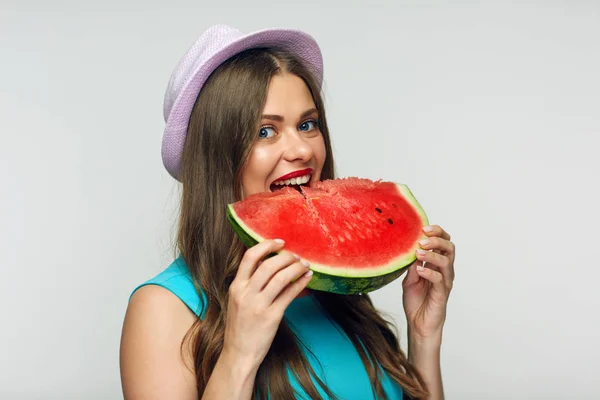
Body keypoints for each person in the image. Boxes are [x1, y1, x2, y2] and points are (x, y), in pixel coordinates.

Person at [119, 24, 456, 400]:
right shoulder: (163, 309)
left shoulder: (339, 292)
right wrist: (239, 354)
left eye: (307, 125)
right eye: (265, 131)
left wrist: (425, 337)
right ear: (218, 157)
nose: (302, 150)